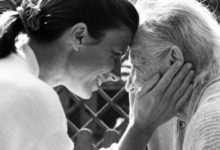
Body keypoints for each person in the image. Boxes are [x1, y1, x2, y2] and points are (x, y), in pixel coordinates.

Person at [0, 0, 194, 149]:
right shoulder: (32, 95)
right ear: (79, 35)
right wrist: (141, 128)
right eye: (115, 54)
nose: (117, 75)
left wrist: (140, 127)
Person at [127, 0, 220, 149]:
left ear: (174, 59)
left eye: (136, 67)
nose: (129, 85)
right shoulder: (156, 114)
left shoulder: (211, 121)